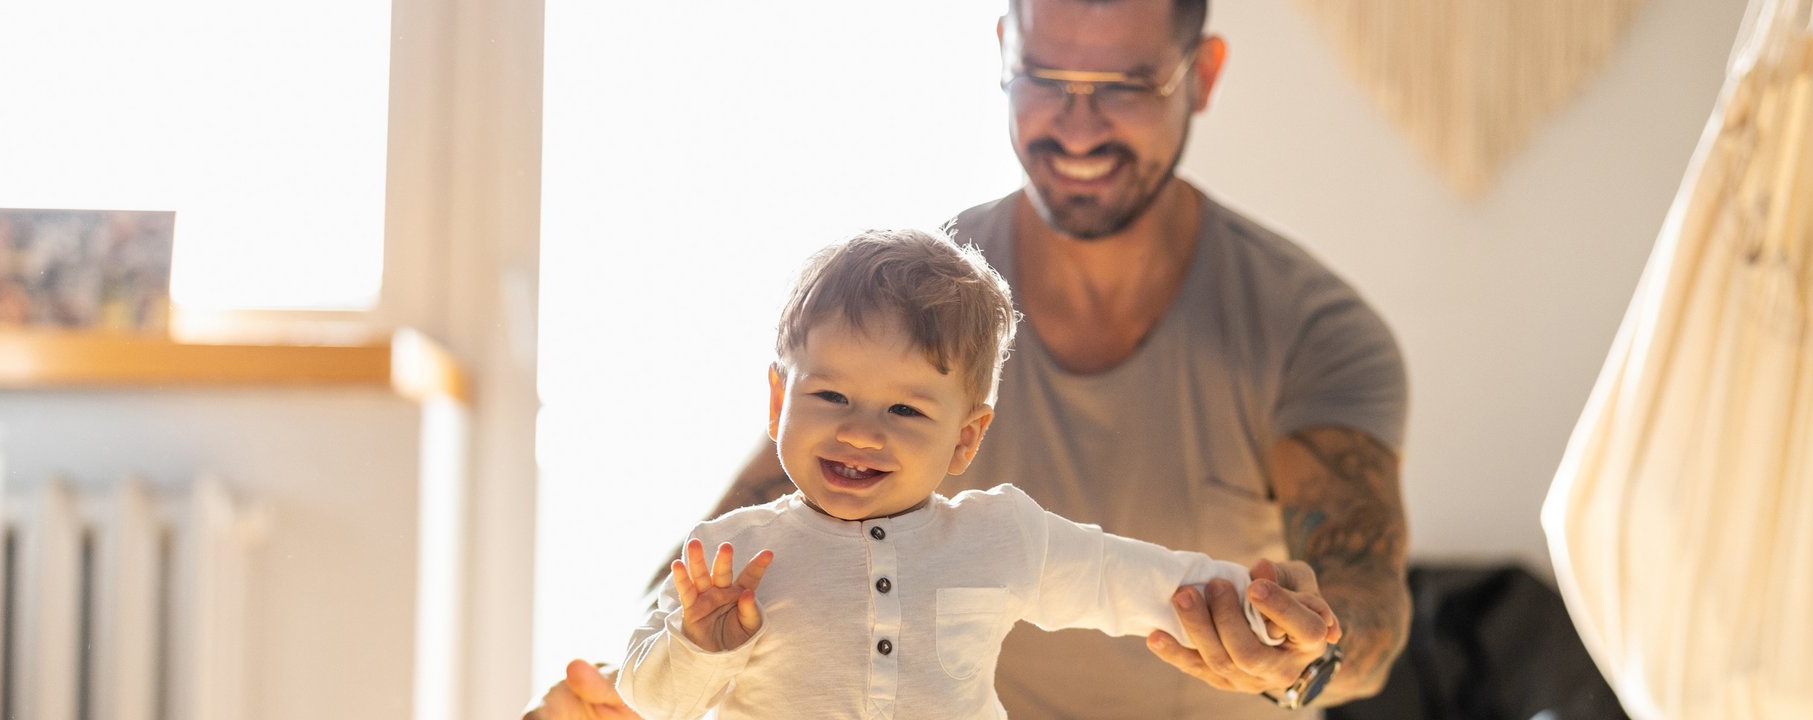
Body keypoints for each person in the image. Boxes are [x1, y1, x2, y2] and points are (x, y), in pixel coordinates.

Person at [531, 0, 1411, 716]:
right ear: (1002, 51)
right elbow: (722, 569)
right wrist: (639, 678)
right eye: (1043, 76)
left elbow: (1363, 607)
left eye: (1128, 84)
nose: (1077, 124)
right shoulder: (912, 307)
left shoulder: (1310, 330)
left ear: (1203, 76)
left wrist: (1307, 649)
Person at [617, 229, 1338, 719]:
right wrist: (701, 644)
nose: (861, 430)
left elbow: (1121, 578)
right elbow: (649, 698)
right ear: (779, 400)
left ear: (965, 439)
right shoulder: (730, 556)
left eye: (905, 409)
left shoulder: (999, 535)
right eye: (830, 395)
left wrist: (1251, 605)